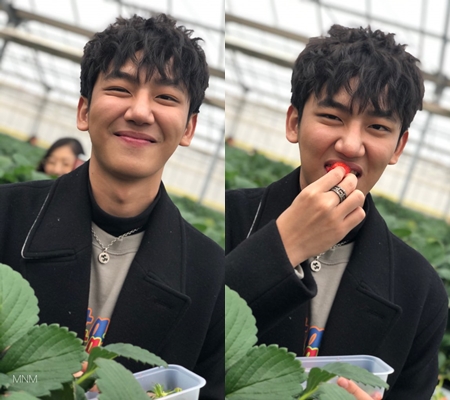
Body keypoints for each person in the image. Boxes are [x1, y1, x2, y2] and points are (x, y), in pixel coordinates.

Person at [0, 14, 223, 399]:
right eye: (120, 89)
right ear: (84, 111)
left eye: (166, 97)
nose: (140, 112)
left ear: (189, 128)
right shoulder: (8, 217)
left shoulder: (212, 276)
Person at [225, 25, 448, 399]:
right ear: (294, 122)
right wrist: (283, 246)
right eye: (332, 117)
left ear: (398, 147)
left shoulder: (420, 290)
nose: (350, 145)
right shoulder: (231, 219)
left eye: (377, 126)